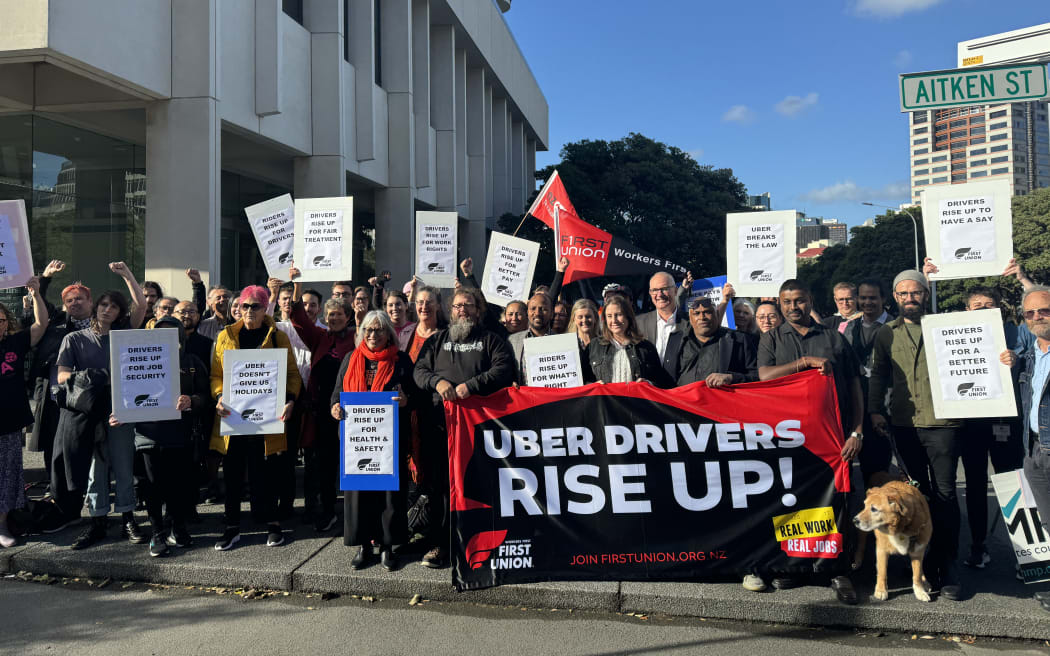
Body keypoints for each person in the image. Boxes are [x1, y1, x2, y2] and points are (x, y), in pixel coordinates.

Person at [757, 278, 863, 604]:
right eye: (787, 302)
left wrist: (857, 431)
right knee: (794, 500)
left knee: (838, 504)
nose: (793, 307)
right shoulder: (771, 339)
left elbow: (856, 387)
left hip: (833, 440)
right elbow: (764, 376)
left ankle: (837, 569)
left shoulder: (834, 338)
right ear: (779, 303)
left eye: (799, 301)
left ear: (810, 300)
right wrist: (802, 364)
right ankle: (796, 567)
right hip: (789, 440)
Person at [868, 270, 964, 600]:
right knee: (915, 493)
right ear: (895, 297)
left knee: (946, 494)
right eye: (904, 294)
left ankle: (947, 564)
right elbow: (878, 374)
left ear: (926, 294)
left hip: (943, 423)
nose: (910, 299)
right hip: (904, 423)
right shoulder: (885, 334)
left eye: (916, 293)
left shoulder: (947, 328)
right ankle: (918, 559)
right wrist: (875, 409)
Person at [413, 287, 515, 567]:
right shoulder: (437, 341)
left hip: (480, 431)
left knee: (480, 488)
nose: (462, 310)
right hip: (441, 430)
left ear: (478, 310)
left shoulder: (492, 341)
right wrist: (438, 382)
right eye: (457, 306)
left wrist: (471, 386)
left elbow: (503, 369)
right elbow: (419, 371)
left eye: (468, 306)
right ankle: (442, 545)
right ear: (451, 310)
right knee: (442, 489)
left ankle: (482, 544)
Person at [57, 263, 149, 550]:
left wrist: (127, 275)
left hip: (121, 410)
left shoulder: (126, 335)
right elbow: (62, 375)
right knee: (96, 468)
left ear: (120, 312)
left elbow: (142, 303)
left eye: (113, 306)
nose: (107, 310)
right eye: (103, 304)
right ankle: (97, 521)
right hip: (89, 411)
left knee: (123, 464)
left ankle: (127, 518)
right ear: (96, 307)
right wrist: (92, 378)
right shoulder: (74, 338)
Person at [211, 286, 302, 550]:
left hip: (267, 419)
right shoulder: (226, 336)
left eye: (255, 306)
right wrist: (218, 396)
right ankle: (231, 527)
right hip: (233, 417)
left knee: (267, 473)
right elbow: (216, 375)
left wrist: (290, 400)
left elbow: (293, 374)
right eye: (244, 306)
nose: (249, 311)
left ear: (265, 309)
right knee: (232, 474)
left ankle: (273, 525)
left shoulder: (278, 337)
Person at [111, 316, 209, 557]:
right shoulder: (135, 357)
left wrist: (192, 400)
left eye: (170, 332)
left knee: (178, 485)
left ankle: (178, 526)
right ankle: (157, 533)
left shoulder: (192, 361)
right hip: (149, 435)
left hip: (180, 434)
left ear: (179, 335)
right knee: (152, 486)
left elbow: (206, 396)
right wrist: (121, 413)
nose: (165, 336)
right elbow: (124, 389)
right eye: (160, 332)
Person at [331, 310, 413, 570]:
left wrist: (406, 400)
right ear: (361, 333)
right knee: (359, 494)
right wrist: (335, 407)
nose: (373, 335)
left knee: (389, 495)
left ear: (389, 333)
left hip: (389, 440)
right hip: (357, 442)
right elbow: (336, 395)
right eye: (368, 330)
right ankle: (364, 546)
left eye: (378, 330)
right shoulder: (350, 359)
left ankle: (388, 547)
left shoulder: (401, 361)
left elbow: (415, 397)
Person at [956, 286, 1025, 569]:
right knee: (974, 486)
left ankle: (1028, 556)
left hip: (1006, 421)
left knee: (1013, 486)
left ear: (999, 307)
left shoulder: (1017, 333)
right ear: (967, 310)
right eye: (977, 304)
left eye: (989, 304)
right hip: (971, 422)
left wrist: (1018, 362)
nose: (983, 308)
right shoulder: (955, 334)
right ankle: (978, 546)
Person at [288, 268, 357, 531]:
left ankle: (354, 513)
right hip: (322, 412)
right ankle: (327, 510)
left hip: (350, 411)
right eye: (330, 315)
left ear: (347, 317)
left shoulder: (357, 337)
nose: (334, 318)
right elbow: (299, 321)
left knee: (352, 463)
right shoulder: (320, 337)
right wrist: (297, 284)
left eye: (339, 314)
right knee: (324, 464)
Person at [25, 260, 93, 525]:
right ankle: (58, 501)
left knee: (82, 453)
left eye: (79, 299)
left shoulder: (100, 327)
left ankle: (84, 501)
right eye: (69, 300)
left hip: (88, 402)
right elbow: (40, 309)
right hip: (54, 399)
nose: (74, 304)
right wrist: (45, 278)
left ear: (90, 302)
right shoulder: (54, 326)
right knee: (53, 452)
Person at [0, 278, 49, 547]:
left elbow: (41, 325)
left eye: (1, 320)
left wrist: (36, 294)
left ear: (7, 323)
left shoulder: (15, 343)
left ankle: (2, 524)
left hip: (8, 422)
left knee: (7, 474)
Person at [839, 278, 894, 484]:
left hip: (886, 405)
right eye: (863, 298)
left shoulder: (894, 326)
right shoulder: (848, 328)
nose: (867, 302)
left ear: (883, 299)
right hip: (856, 405)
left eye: (872, 298)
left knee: (879, 469)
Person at [1017, 285, 1050, 612]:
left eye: (1044, 311)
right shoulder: (1029, 357)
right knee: (1047, 520)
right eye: (1030, 313)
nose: (1037, 318)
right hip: (1033, 449)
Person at [585, 295, 673, 388]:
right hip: (605, 402)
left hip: (636, 402)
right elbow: (583, 380)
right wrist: (592, 386)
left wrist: (648, 384)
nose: (614, 320)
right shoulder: (593, 346)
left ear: (628, 317)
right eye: (609, 316)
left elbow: (660, 381)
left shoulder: (646, 347)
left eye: (619, 315)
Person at [673, 297, 757, 387]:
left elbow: (757, 376)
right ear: (690, 318)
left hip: (722, 399)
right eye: (697, 313)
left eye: (708, 312)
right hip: (684, 399)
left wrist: (732, 378)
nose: (702, 317)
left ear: (717, 314)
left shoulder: (739, 340)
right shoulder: (676, 341)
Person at [637, 271, 689, 379]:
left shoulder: (691, 322)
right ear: (650, 293)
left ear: (675, 291)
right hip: (649, 389)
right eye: (655, 290)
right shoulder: (638, 323)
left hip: (681, 389)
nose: (659, 294)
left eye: (664, 289)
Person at [508, 292, 553, 383]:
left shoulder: (563, 341)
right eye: (533, 308)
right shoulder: (512, 341)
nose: (537, 313)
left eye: (543, 309)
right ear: (527, 313)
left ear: (552, 314)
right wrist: (510, 381)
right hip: (524, 396)